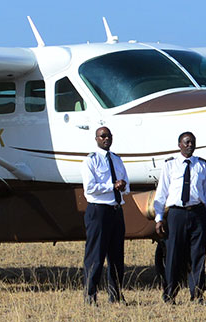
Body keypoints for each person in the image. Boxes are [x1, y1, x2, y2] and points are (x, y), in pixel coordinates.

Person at [153, 132, 206, 304]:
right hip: (177, 214)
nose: (190, 145)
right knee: (173, 254)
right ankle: (169, 295)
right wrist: (159, 217)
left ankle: (197, 295)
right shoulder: (170, 165)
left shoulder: (202, 165)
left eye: (192, 142)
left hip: (197, 213)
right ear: (179, 144)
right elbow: (162, 192)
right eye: (187, 142)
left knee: (198, 255)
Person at [80, 127, 129, 305]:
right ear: (96, 139)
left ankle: (115, 295)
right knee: (96, 255)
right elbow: (90, 188)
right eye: (103, 136)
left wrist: (123, 186)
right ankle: (90, 295)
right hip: (98, 210)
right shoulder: (90, 161)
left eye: (109, 136)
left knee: (117, 256)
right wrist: (112, 186)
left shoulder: (116, 159)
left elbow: (125, 182)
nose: (106, 139)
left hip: (116, 210)